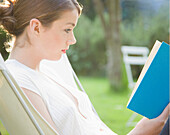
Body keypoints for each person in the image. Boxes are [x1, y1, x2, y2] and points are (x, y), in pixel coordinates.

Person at [0, 0, 169, 135]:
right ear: (36, 27)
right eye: (67, 29)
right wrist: (141, 131)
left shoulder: (47, 70)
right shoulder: (19, 82)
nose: (73, 39)